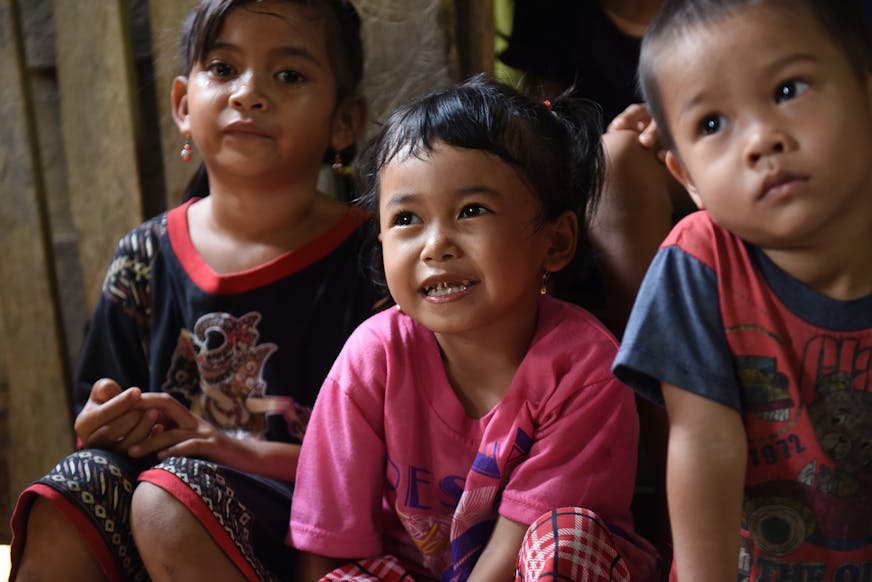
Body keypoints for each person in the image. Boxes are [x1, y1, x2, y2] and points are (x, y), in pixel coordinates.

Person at [8, 1, 374, 580]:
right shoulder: (144, 258)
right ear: (183, 104)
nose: (249, 94)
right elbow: (94, 430)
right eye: (224, 69)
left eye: (289, 75)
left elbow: (398, 460)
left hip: (316, 534)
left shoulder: (377, 262)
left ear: (344, 121)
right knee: (75, 491)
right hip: (157, 519)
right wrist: (106, 417)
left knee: (169, 501)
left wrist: (220, 451)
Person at [288, 74, 661, 582]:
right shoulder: (372, 357)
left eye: (471, 211)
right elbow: (327, 546)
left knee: (562, 541)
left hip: (534, 571)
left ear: (555, 243)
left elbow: (508, 561)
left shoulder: (584, 368)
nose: (435, 245)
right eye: (406, 220)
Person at [612, 0, 872, 579]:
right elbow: (705, 448)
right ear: (687, 178)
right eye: (712, 124)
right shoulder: (700, 263)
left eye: (788, 90)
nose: (761, 139)